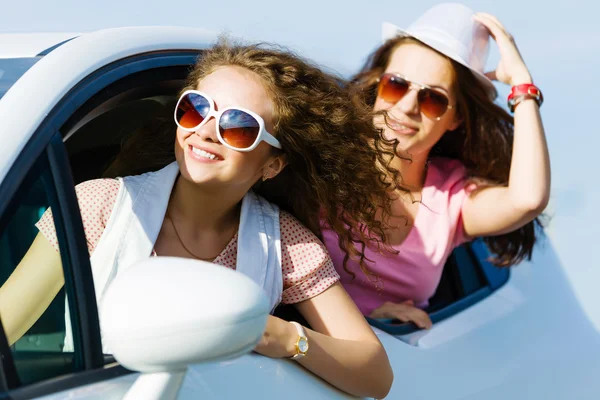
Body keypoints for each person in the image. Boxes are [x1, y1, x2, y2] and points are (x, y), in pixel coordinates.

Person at [0, 40, 394, 398]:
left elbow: (375, 373)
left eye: (238, 126)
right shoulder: (98, 205)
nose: (206, 131)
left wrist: (283, 337)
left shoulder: (286, 243)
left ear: (273, 164)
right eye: (196, 109)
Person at [322, 3, 550, 329]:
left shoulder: (450, 197)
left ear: (456, 118)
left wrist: (522, 86)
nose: (407, 106)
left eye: (433, 99)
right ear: (377, 86)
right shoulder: (321, 163)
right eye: (396, 84)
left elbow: (527, 200)